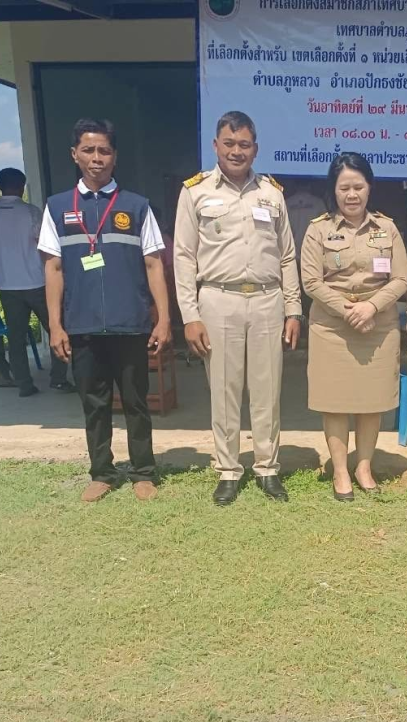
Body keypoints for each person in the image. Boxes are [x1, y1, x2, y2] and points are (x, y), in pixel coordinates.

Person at [39, 117, 171, 503]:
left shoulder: (136, 206)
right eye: (89, 150)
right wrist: (55, 325)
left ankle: (143, 471)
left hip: (130, 323)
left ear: (115, 157)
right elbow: (54, 267)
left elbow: (153, 265)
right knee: (93, 403)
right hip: (81, 326)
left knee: (135, 402)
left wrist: (163, 319)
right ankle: (102, 472)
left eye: (104, 151)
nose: (97, 158)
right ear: (75, 154)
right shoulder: (57, 207)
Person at [174, 110, 303, 506]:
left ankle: (267, 468)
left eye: (244, 144)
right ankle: (229, 470)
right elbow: (183, 257)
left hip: (267, 299)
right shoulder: (195, 192)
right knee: (225, 390)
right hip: (218, 299)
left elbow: (286, 255)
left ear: (255, 149)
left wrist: (293, 308)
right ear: (216, 146)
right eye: (229, 144)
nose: (236, 151)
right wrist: (190, 315)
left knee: (267, 390)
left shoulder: (271, 193)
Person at [299, 152, 407, 501]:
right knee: (335, 402)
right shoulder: (319, 229)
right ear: (334, 190)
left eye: (358, 187)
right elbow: (311, 281)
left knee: (371, 401)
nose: (352, 195)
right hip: (332, 327)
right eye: (344, 187)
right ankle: (341, 470)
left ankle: (364, 466)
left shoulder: (387, 228)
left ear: (369, 187)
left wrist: (372, 306)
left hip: (378, 325)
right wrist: (349, 309)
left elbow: (403, 277)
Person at [0, 166, 72, 397]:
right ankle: (59, 379)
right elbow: (45, 245)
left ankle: (24, 384)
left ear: (0, 186)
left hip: (6, 284)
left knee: (16, 337)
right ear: (22, 187)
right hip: (36, 281)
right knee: (56, 329)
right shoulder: (31, 212)